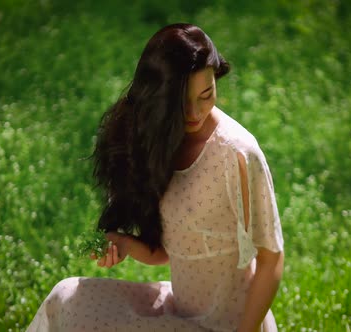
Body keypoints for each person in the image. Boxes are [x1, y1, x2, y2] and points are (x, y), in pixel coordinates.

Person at [27, 23, 284, 332]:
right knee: (67, 299)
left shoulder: (238, 154)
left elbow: (272, 259)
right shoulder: (160, 142)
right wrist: (124, 244)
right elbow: (171, 251)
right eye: (181, 102)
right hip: (178, 311)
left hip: (232, 324)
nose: (194, 113)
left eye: (206, 95)